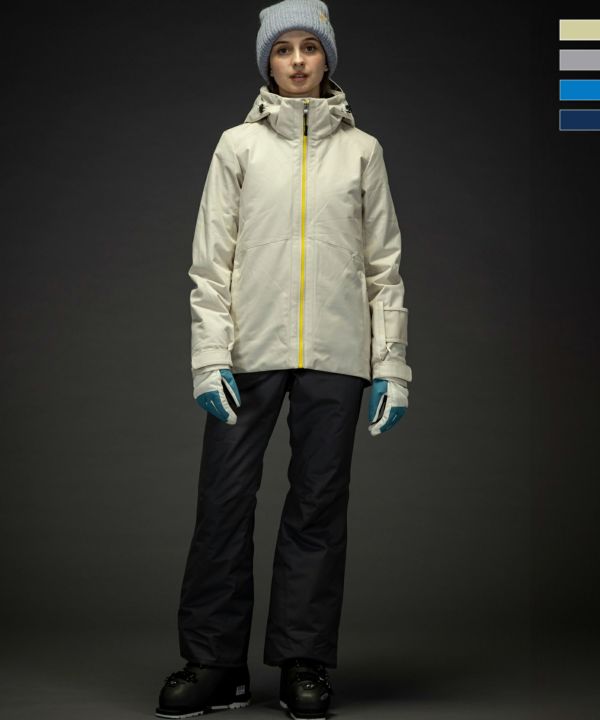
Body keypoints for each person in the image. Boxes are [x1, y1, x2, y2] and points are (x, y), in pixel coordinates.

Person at [155, 1, 413, 718]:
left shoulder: (363, 152)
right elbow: (211, 264)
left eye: (309, 47)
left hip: (338, 352)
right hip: (249, 351)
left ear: (327, 57)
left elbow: (383, 268)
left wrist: (391, 366)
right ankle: (215, 664)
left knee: (317, 508)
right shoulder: (237, 146)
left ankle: (304, 662)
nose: (297, 61)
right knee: (223, 502)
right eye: (283, 49)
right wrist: (210, 358)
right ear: (267, 61)